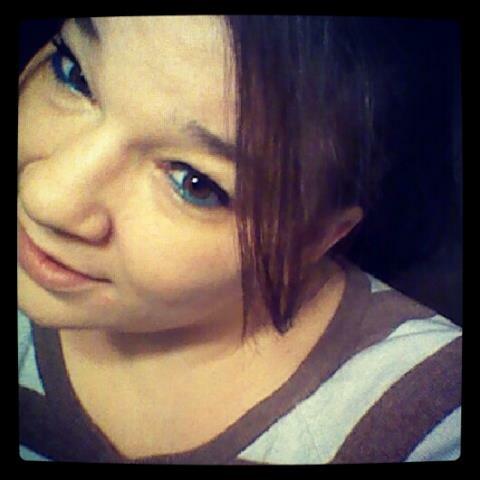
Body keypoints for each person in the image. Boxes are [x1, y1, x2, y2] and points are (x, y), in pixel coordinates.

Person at [18, 16, 462, 464]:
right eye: (74, 74)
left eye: (195, 183)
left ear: (314, 240)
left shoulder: (426, 412)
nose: (44, 199)